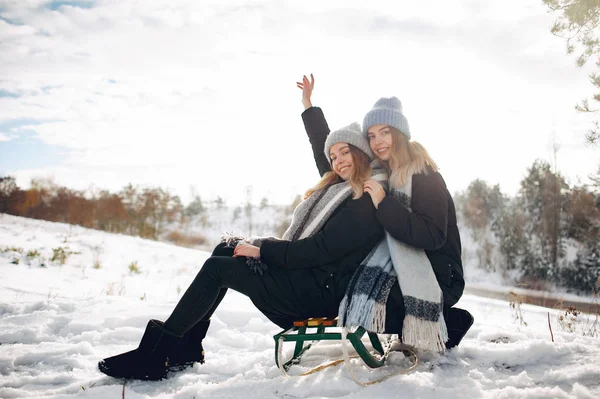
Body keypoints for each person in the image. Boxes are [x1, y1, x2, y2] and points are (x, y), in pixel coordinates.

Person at [97, 123, 409, 381]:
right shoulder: (339, 190)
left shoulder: (365, 199)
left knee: (217, 269)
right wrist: (309, 107)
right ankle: (186, 348)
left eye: (345, 152)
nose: (337, 160)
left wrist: (264, 250)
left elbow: (318, 251)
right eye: (332, 156)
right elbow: (322, 152)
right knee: (226, 249)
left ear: (361, 153)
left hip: (317, 292)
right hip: (309, 279)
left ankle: (157, 354)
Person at [296, 74, 474, 350]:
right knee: (356, 290)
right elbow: (333, 161)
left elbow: (432, 235)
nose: (378, 141)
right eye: (372, 135)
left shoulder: (423, 174)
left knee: (370, 302)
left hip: (439, 274)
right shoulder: (384, 174)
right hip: (403, 266)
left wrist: (384, 204)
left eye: (385, 132)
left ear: (399, 133)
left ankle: (450, 321)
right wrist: (309, 108)